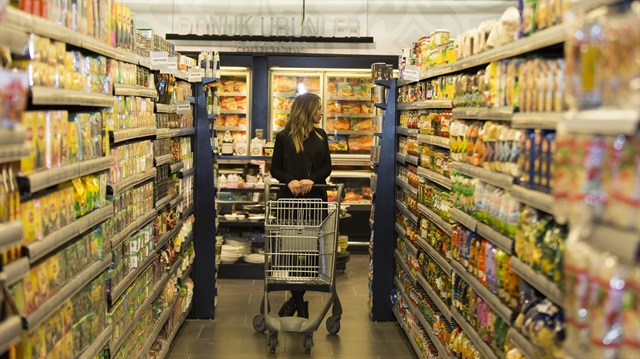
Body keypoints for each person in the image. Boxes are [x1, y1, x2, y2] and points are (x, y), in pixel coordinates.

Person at [269, 92, 332, 319]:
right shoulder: (284, 137)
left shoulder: (321, 136)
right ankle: (299, 303)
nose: (321, 113)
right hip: (290, 202)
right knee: (292, 251)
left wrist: (312, 179)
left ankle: (294, 302)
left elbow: (327, 168)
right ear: (307, 110)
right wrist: (290, 180)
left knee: (311, 253)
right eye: (318, 109)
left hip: (315, 201)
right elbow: (274, 169)